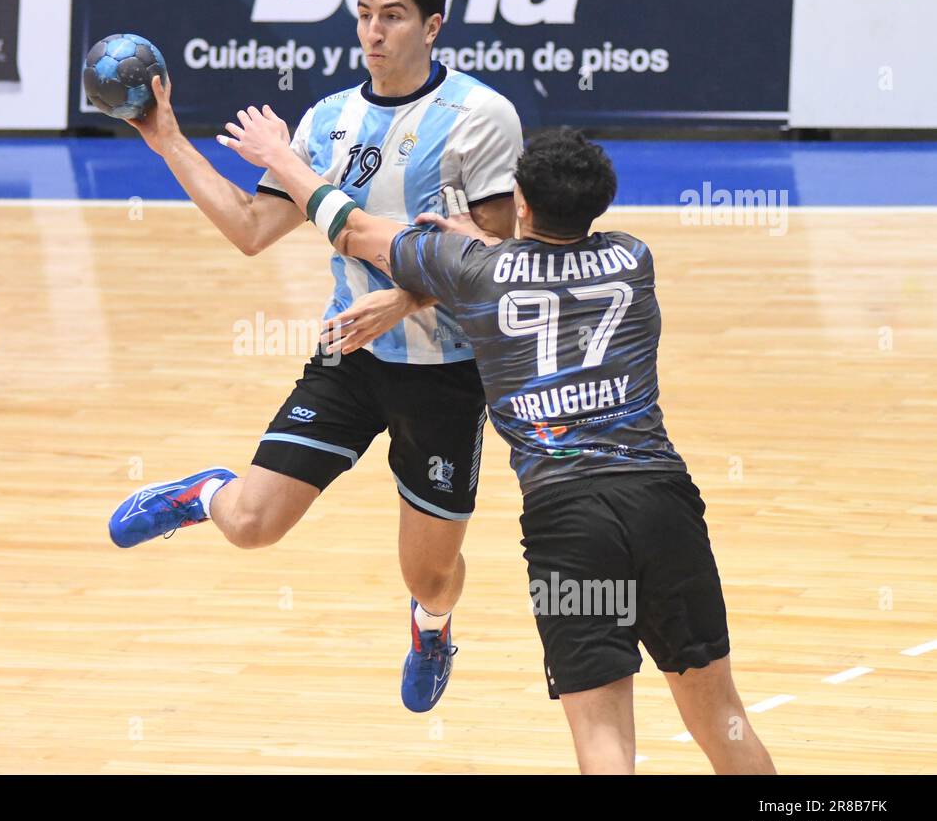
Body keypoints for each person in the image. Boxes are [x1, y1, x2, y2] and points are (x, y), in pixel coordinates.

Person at [219, 112, 776, 774]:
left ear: (521, 202)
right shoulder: (633, 258)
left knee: (603, 738)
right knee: (721, 715)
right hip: (663, 504)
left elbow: (355, 229)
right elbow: (545, 260)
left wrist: (281, 157)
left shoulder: (475, 270)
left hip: (570, 523)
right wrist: (474, 240)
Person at [107, 0, 523, 712]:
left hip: (448, 371)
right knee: (252, 527)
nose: (373, 32)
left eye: (392, 16)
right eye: (364, 15)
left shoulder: (480, 118)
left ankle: (432, 627)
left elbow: (494, 255)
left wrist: (405, 299)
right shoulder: (328, 121)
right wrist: (166, 138)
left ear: (432, 25)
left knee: (428, 575)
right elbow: (249, 227)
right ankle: (203, 492)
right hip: (350, 357)